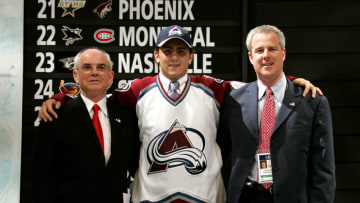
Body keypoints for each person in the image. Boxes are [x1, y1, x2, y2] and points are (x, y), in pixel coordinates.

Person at [38, 25, 321, 203]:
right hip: (152, 195)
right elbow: (97, 96)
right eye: (168, 50)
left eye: (181, 51)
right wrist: (61, 98)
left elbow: (257, 87)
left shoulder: (212, 87)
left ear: (191, 56)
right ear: (156, 55)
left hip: (204, 194)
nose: (174, 57)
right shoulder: (138, 89)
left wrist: (291, 80)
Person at [217, 25, 335, 203]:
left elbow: (324, 169)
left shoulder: (312, 102)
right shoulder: (234, 100)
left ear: (283, 53)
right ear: (250, 57)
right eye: (259, 50)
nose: (266, 55)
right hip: (245, 196)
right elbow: (218, 153)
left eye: (272, 49)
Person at [32, 48, 139, 203]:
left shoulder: (127, 116)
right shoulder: (55, 116)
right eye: (87, 67)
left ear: (110, 77)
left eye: (101, 67)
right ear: (76, 75)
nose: (94, 72)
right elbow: (42, 177)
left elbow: (136, 165)